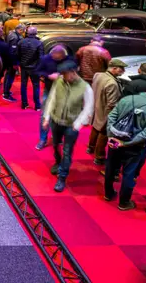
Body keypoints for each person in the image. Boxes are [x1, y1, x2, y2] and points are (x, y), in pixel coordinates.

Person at [104, 82, 146, 210]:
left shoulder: (127, 99)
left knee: (110, 168)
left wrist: (110, 135)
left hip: (114, 140)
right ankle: (124, 202)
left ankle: (108, 194)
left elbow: (111, 117)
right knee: (129, 174)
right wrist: (126, 143)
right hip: (135, 147)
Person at [42, 60, 94, 192]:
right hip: (56, 120)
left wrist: (78, 123)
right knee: (55, 144)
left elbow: (88, 108)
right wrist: (47, 117)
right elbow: (52, 99)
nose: (64, 77)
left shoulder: (85, 87)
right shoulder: (59, 81)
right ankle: (57, 162)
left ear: (73, 72)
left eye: (66, 74)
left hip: (71, 125)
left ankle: (62, 177)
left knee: (67, 151)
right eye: (63, 74)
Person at [87, 59, 127, 166]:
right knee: (104, 134)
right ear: (114, 68)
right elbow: (112, 104)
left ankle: (90, 148)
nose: (123, 71)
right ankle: (99, 157)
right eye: (121, 69)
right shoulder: (112, 83)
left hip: (96, 109)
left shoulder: (98, 75)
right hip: (105, 113)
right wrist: (111, 119)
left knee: (95, 128)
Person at [33, 45, 71, 150]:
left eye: (59, 58)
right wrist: (48, 76)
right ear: (52, 54)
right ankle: (43, 139)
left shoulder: (68, 60)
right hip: (49, 90)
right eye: (55, 58)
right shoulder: (45, 59)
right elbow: (37, 71)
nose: (57, 59)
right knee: (44, 116)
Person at [18, 26, 44, 110]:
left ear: (27, 32)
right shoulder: (39, 43)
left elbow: (18, 54)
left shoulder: (21, 42)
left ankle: (24, 104)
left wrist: (20, 63)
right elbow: (41, 57)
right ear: (36, 33)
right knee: (36, 86)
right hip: (35, 68)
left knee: (23, 85)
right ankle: (37, 106)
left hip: (24, 67)